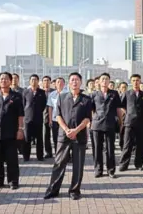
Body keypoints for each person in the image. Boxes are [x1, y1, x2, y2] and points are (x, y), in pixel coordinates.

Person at [44, 72, 92, 200]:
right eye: (72, 80)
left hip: (79, 136)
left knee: (78, 165)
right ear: (69, 83)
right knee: (59, 163)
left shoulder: (86, 99)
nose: (74, 82)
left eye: (77, 80)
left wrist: (76, 130)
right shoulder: (62, 97)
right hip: (63, 136)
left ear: (81, 82)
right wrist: (66, 129)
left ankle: (74, 190)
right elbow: (57, 115)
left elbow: (87, 119)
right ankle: (53, 189)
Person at [0, 72, 24, 190]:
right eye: (1, 79)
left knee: (12, 159)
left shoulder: (16, 96)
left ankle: (13, 181)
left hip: (11, 133)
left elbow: (20, 115)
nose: (3, 81)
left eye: (6, 79)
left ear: (10, 81)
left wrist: (20, 129)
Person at [91, 73, 122, 178]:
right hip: (97, 124)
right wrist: (90, 122)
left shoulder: (114, 94)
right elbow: (91, 110)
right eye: (102, 79)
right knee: (97, 148)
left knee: (110, 148)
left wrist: (120, 122)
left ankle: (111, 170)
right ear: (99, 81)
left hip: (110, 124)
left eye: (107, 79)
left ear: (109, 81)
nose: (104, 81)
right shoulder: (94, 94)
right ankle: (98, 170)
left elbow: (118, 109)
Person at [119, 74, 143, 171]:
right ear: (131, 82)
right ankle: (123, 165)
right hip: (129, 123)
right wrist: (127, 113)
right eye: (133, 80)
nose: (136, 82)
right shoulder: (127, 93)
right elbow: (121, 105)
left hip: (141, 123)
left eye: (137, 80)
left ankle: (138, 164)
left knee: (140, 145)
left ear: (140, 81)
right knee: (127, 145)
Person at [22, 74, 47, 161]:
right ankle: (26, 156)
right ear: (29, 81)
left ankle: (40, 156)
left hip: (38, 118)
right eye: (32, 80)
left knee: (39, 139)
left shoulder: (42, 92)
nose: (34, 81)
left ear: (38, 81)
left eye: (35, 79)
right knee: (27, 138)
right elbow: (23, 104)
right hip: (27, 119)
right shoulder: (25, 92)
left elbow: (43, 105)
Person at [47, 77, 67, 156]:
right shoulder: (52, 94)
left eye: (61, 82)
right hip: (55, 120)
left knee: (65, 138)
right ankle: (57, 154)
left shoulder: (67, 93)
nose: (59, 84)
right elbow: (50, 107)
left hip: (64, 120)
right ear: (55, 84)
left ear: (64, 84)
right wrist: (50, 120)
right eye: (58, 82)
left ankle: (66, 155)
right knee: (55, 138)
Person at [42, 76, 55, 158]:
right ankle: (48, 152)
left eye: (48, 80)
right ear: (42, 82)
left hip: (54, 116)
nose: (46, 82)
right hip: (44, 117)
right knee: (45, 136)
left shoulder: (54, 92)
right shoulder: (40, 92)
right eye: (44, 80)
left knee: (56, 136)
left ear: (50, 82)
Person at [118, 82, 128, 151]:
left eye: (125, 87)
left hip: (127, 117)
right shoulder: (117, 97)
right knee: (121, 132)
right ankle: (121, 145)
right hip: (119, 117)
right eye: (122, 87)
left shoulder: (129, 95)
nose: (124, 89)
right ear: (119, 89)